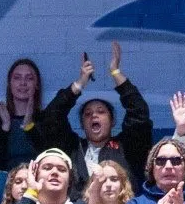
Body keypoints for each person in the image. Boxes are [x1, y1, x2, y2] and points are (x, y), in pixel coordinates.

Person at [36, 44, 154, 190]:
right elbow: (51, 117)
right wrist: (80, 83)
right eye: (88, 114)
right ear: (82, 123)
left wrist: (116, 72)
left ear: (112, 122)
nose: (94, 115)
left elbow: (139, 113)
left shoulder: (127, 147)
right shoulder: (72, 148)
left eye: (101, 111)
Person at [0, 58, 47, 173]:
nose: (23, 83)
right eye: (17, 78)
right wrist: (5, 127)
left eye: (29, 78)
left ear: (36, 84)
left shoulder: (47, 120)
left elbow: (49, 159)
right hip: (6, 185)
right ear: (10, 84)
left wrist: (30, 128)